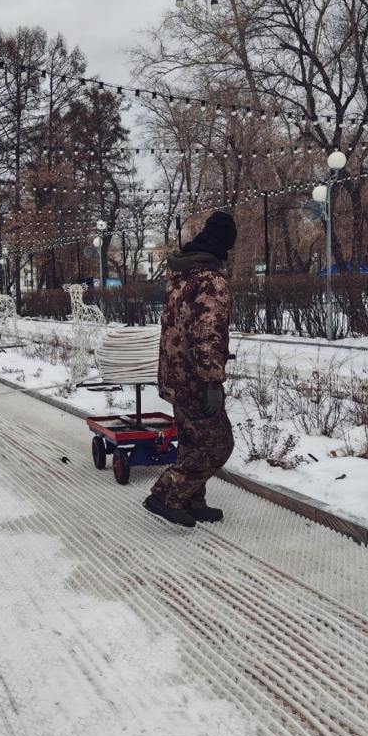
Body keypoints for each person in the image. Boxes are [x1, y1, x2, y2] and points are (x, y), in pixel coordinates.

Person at [144, 211, 237, 528]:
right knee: (218, 444)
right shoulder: (211, 282)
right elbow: (206, 333)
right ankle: (165, 494)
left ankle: (192, 499)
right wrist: (212, 380)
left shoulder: (181, 278)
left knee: (192, 442)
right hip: (197, 379)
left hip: (174, 375)